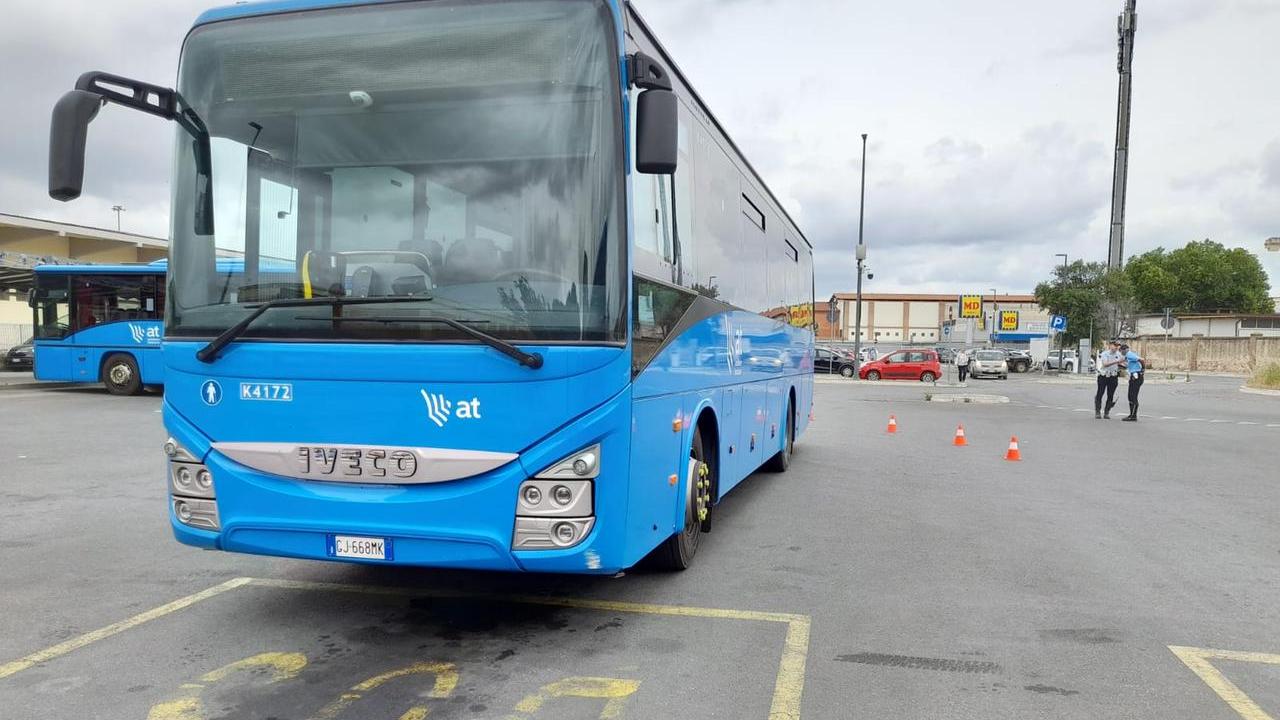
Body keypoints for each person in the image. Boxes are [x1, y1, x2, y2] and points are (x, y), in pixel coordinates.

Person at [1094, 341, 1123, 419]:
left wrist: (1124, 365)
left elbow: (1122, 363)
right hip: (1103, 375)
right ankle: (1097, 411)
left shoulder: (1119, 354)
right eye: (1115, 345)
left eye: (1118, 345)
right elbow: (1105, 364)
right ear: (1110, 345)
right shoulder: (1105, 354)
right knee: (1100, 393)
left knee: (1110, 394)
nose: (1116, 347)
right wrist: (1117, 362)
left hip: (1113, 375)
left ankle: (1107, 412)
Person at [1119, 343, 1145, 422]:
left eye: (1121, 351)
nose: (1121, 353)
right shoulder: (1128, 356)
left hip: (1136, 377)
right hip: (1134, 376)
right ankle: (1132, 414)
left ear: (1125, 350)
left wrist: (1142, 370)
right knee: (1130, 396)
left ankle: (1133, 416)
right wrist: (1121, 366)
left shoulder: (1129, 354)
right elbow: (1130, 366)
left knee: (1133, 396)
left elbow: (1141, 360)